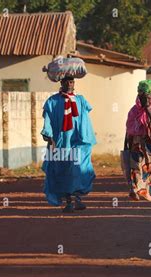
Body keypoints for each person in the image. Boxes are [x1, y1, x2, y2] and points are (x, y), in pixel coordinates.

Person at [41, 76, 97, 213]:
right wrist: (48, 135)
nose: (69, 84)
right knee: (63, 171)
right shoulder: (52, 102)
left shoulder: (80, 100)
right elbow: (47, 120)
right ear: (61, 83)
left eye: (71, 81)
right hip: (61, 143)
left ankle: (77, 199)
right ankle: (68, 202)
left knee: (79, 169)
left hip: (79, 142)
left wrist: (87, 138)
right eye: (66, 81)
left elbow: (86, 118)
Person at [125, 79, 151, 201]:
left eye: (148, 97)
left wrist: (148, 112)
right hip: (137, 142)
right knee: (136, 166)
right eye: (143, 97)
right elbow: (130, 127)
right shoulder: (133, 111)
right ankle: (135, 190)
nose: (146, 100)